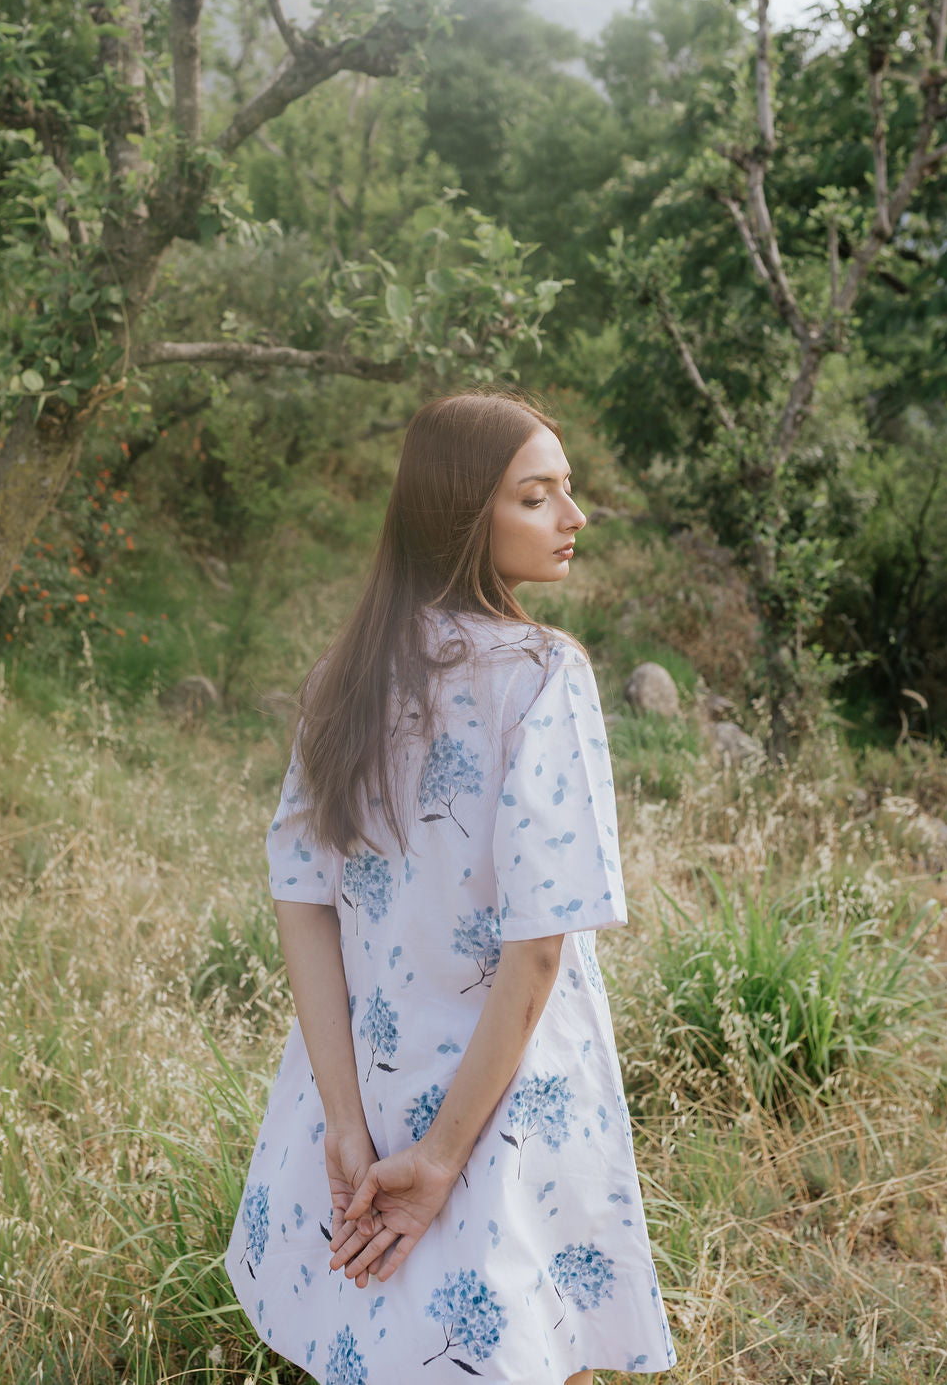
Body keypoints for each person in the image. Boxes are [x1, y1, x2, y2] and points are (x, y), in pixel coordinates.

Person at [224, 393, 677, 1384]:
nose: (574, 515)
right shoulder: (541, 674)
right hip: (495, 1099)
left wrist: (346, 1121)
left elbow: (300, 900)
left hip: (360, 1085)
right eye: (536, 494)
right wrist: (436, 1159)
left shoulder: (340, 673)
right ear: (463, 513)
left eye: (566, 489)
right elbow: (542, 942)